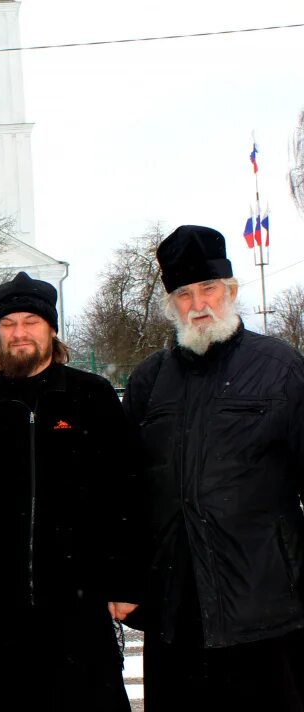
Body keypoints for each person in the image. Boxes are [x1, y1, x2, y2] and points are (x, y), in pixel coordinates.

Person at [123, 225, 304, 712]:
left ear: (231, 291)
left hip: (262, 600)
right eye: (184, 293)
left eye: (208, 289)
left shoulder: (280, 368)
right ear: (170, 304)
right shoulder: (150, 380)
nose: (198, 303)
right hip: (176, 608)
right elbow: (128, 490)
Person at [0, 272, 140, 711]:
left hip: (78, 602)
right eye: (9, 324)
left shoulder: (92, 396)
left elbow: (125, 490)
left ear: (51, 328)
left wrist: (123, 580)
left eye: (30, 321)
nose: (19, 333)